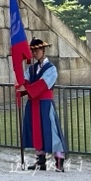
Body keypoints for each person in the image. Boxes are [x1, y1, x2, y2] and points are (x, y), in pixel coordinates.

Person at [21, 37, 67, 172]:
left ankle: (59, 159)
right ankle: (40, 160)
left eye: (37, 50)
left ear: (43, 50)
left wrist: (27, 88)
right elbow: (25, 81)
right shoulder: (31, 68)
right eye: (33, 51)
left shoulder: (51, 68)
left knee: (51, 130)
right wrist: (21, 84)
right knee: (36, 130)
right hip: (33, 103)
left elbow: (43, 84)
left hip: (45, 104)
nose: (35, 53)